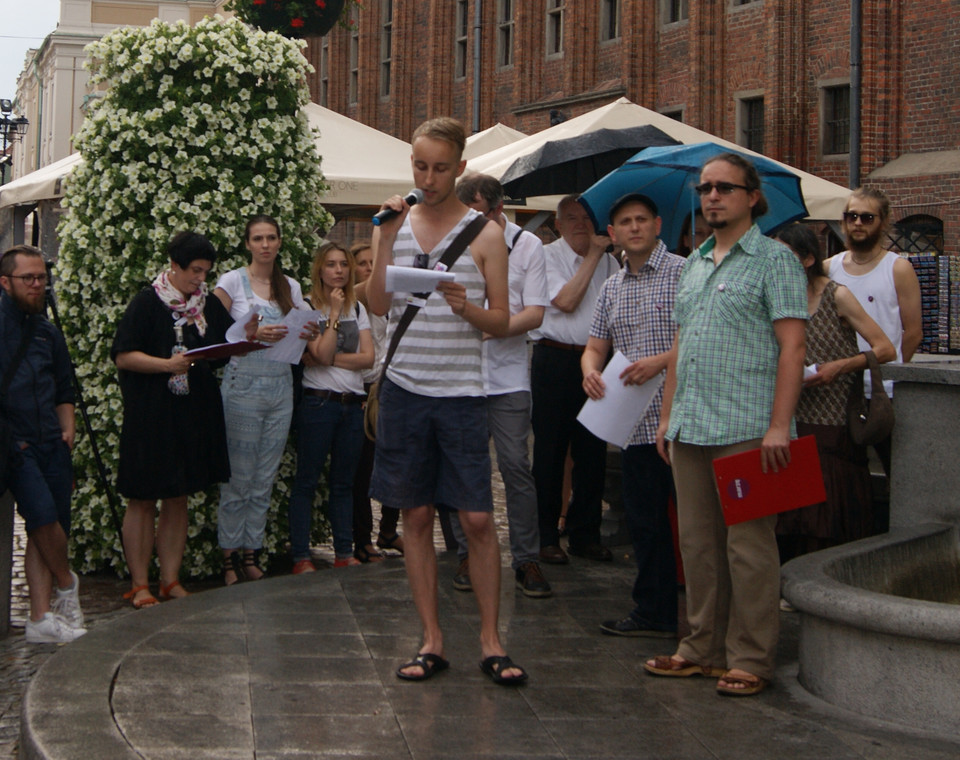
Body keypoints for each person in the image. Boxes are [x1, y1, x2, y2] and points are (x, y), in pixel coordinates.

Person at [366, 117, 527, 685]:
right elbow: (379, 306)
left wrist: (467, 309)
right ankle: (431, 638)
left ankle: (491, 639)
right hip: (407, 388)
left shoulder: (485, 234)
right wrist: (384, 239)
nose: (428, 178)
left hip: (463, 393)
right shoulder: (394, 224)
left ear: (460, 169)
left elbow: (503, 319)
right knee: (414, 513)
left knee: (479, 518)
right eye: (419, 166)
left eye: (439, 168)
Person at [645, 153, 808, 697]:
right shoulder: (692, 264)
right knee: (697, 544)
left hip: (747, 424)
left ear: (751, 197)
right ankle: (700, 648)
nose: (712, 196)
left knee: (749, 547)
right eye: (706, 188)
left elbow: (792, 347)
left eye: (725, 188)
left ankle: (751, 657)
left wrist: (779, 425)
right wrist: (667, 415)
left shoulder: (775, 260)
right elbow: (680, 347)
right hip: (691, 423)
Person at [112, 231, 257, 608]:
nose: (200, 279)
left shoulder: (205, 304)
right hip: (150, 413)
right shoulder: (147, 303)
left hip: (192, 412)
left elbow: (223, 349)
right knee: (143, 498)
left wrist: (246, 337)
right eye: (194, 271)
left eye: (206, 272)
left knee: (179, 496)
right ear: (174, 266)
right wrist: (166, 365)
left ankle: (170, 579)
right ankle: (140, 583)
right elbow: (124, 356)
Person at [581, 193, 685, 637]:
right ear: (612, 233)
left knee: (696, 524)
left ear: (658, 224)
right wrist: (589, 372)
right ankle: (653, 612)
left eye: (642, 219)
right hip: (633, 424)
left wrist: (660, 361)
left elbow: (696, 338)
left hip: (683, 419)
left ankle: (708, 616)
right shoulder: (611, 287)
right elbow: (594, 346)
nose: (635, 227)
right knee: (645, 523)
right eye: (625, 222)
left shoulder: (685, 273)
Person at [450, 172, 552, 598]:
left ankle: (527, 558)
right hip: (461, 375)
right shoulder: (453, 240)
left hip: (508, 378)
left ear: (498, 209)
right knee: (463, 469)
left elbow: (536, 314)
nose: (473, 224)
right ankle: (464, 554)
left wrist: (495, 327)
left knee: (515, 466)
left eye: (480, 215)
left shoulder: (527, 245)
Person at [774, 224, 895, 560]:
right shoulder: (777, 298)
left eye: (786, 256)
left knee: (828, 495)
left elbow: (885, 348)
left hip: (832, 412)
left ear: (808, 259)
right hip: (791, 409)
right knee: (791, 498)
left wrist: (839, 366)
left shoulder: (836, 294)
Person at [213, 215, 317, 585]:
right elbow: (212, 332)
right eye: (258, 238)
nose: (265, 245)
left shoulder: (289, 284)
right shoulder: (231, 282)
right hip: (243, 384)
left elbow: (304, 328)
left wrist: (308, 329)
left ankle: (251, 551)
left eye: (271, 237)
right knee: (238, 476)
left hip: (280, 387)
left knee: (265, 475)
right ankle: (229, 557)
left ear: (279, 241)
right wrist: (253, 334)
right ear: (247, 243)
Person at [0, 245, 85, 643]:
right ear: (6, 282)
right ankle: (67, 584)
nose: (37, 285)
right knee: (42, 516)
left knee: (49, 524)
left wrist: (67, 429)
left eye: (41, 278)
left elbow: (63, 385)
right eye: (28, 279)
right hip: (15, 441)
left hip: (51, 438)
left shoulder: (48, 331)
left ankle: (39, 616)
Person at [529, 195, 620, 565]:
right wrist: (593, 257)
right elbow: (565, 300)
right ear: (558, 223)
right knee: (550, 452)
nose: (581, 224)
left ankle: (585, 533)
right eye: (572, 218)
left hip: (597, 363)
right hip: (554, 358)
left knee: (592, 453)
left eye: (587, 217)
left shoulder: (613, 262)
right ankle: (546, 535)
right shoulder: (546, 257)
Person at [825, 187, 922, 518]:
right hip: (840, 392)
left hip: (886, 393)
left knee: (900, 474)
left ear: (883, 222)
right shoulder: (830, 268)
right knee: (846, 473)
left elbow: (913, 331)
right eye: (851, 216)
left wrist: (892, 373)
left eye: (867, 217)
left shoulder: (898, 268)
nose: (857, 223)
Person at [287, 242, 373, 571]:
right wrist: (333, 317)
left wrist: (326, 358)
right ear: (319, 270)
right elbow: (316, 356)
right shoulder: (307, 307)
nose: (338, 270)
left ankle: (344, 551)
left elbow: (368, 358)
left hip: (352, 405)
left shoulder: (359, 308)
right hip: (318, 403)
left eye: (343, 265)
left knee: (343, 482)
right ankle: (300, 555)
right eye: (331, 264)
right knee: (307, 480)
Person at [351, 240, 403, 561]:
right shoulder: (354, 304)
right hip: (364, 392)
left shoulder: (392, 303)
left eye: (375, 263)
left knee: (396, 465)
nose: (371, 268)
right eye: (363, 263)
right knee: (363, 470)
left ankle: (388, 530)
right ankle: (362, 539)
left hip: (393, 390)